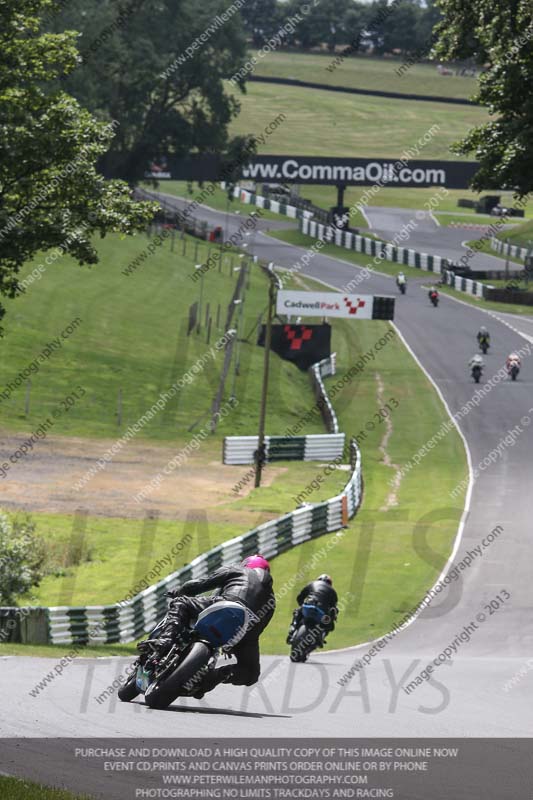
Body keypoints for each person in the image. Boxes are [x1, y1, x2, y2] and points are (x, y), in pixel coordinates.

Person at [138, 555, 275, 697]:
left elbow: (201, 584)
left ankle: (165, 640)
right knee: (250, 673)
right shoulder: (272, 600)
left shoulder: (237, 569)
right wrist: (234, 643)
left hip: (226, 604)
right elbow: (258, 630)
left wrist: (181, 591)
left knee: (181, 603)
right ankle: (212, 678)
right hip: (244, 629)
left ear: (246, 564)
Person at [287, 574, 338, 648]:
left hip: (308, 606)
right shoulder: (332, 591)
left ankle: (292, 629)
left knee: (297, 612)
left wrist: (301, 605)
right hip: (321, 612)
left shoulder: (312, 584)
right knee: (330, 624)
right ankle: (321, 637)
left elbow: (299, 597)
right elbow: (334, 608)